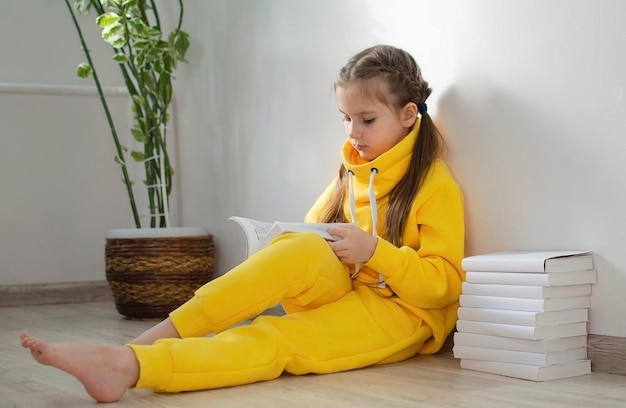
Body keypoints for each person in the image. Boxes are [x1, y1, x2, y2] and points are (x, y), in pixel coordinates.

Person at [20, 44, 465, 403]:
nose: (353, 133)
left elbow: (444, 285)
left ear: (408, 115)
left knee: (277, 336)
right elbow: (310, 242)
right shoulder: (351, 171)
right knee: (299, 249)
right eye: (346, 119)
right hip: (348, 287)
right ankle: (145, 342)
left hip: (403, 314)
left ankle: (131, 366)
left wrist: (373, 252)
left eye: (367, 120)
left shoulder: (434, 184)